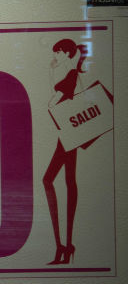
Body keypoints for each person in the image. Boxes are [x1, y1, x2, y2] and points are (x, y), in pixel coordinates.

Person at [42, 38, 88, 265]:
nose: (55, 56)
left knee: (50, 179)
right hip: (69, 134)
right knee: (69, 181)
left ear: (66, 53)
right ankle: (66, 246)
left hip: (68, 135)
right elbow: (57, 93)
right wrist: (52, 72)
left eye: (57, 52)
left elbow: (52, 103)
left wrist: (53, 74)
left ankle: (64, 246)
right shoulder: (73, 75)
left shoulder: (71, 76)